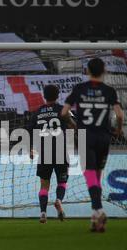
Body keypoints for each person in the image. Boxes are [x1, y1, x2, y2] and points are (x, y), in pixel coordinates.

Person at [61, 58, 124, 232]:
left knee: (89, 176)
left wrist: (73, 125)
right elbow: (119, 115)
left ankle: (99, 209)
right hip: (104, 136)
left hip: (85, 136)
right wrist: (118, 130)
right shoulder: (109, 91)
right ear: (104, 70)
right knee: (97, 176)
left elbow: (64, 112)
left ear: (87, 71)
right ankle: (95, 219)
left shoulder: (79, 89)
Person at [28, 85, 76, 224]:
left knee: (44, 186)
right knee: (62, 181)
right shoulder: (63, 110)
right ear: (58, 95)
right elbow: (74, 125)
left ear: (44, 96)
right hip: (61, 151)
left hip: (44, 152)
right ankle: (58, 201)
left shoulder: (37, 113)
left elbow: (29, 132)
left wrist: (30, 148)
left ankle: (43, 213)